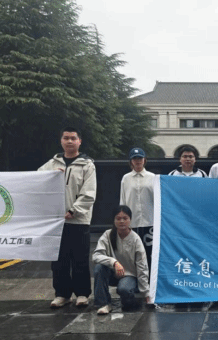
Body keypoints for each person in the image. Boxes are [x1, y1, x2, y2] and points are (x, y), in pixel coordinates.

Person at [38, 127, 96, 308]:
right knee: (59, 259)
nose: (69, 141)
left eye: (73, 138)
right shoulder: (51, 164)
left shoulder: (87, 165)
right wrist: (51, 176)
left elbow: (89, 193)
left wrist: (73, 211)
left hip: (79, 220)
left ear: (79, 141)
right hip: (56, 220)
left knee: (80, 258)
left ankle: (82, 293)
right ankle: (62, 294)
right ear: (61, 141)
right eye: (66, 138)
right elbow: (36, 180)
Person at [93, 206, 150, 314]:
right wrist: (114, 262)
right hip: (112, 273)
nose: (122, 221)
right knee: (99, 268)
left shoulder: (135, 239)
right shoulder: (107, 235)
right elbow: (96, 256)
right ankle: (104, 304)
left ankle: (130, 299)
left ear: (130, 220)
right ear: (114, 220)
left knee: (124, 290)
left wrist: (146, 293)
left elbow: (142, 267)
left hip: (129, 276)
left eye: (125, 218)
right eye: (118, 218)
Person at [119, 147, 155, 270]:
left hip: (150, 222)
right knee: (134, 253)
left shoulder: (152, 177)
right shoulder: (126, 178)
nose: (138, 161)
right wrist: (122, 219)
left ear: (145, 160)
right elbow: (123, 199)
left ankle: (149, 278)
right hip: (132, 223)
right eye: (135, 158)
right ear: (131, 161)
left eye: (140, 158)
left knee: (149, 252)